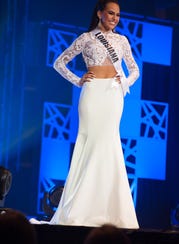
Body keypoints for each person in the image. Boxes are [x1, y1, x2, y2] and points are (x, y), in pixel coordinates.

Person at [50, 0, 139, 228]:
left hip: (112, 94)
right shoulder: (86, 38)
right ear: (100, 13)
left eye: (118, 15)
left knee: (109, 144)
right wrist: (78, 80)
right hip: (92, 93)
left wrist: (124, 82)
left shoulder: (122, 40)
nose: (115, 18)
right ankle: (81, 208)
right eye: (110, 13)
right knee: (90, 145)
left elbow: (135, 69)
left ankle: (112, 210)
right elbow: (59, 62)